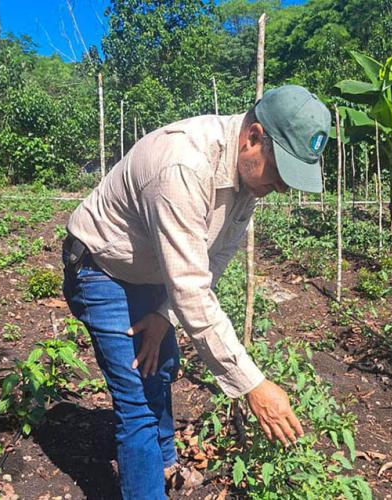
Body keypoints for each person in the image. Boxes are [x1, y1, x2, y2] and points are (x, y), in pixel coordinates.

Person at [61, 84, 331, 499]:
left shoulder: (246, 178)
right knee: (137, 403)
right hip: (101, 267)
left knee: (162, 364)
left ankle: (165, 460)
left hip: (153, 271)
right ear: (253, 138)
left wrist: (163, 313)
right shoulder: (184, 167)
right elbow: (191, 289)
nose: (282, 188)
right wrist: (253, 386)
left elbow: (214, 257)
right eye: (280, 173)